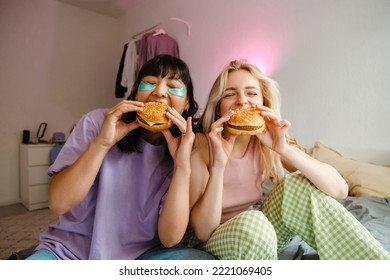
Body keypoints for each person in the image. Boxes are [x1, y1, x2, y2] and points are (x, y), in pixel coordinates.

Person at [188, 59, 390, 260]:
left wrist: (283, 148)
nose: (242, 101)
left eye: (251, 93)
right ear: (218, 108)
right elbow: (203, 232)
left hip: (260, 234)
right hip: (216, 239)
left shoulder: (267, 142)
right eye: (230, 94)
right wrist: (219, 166)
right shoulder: (202, 145)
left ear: (263, 103)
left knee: (296, 184)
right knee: (252, 222)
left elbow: (339, 189)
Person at [26, 54, 215, 260]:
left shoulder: (190, 147)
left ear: (186, 103)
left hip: (138, 258)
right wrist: (102, 143)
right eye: (150, 83)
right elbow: (58, 203)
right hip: (68, 253)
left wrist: (182, 165)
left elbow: (170, 238)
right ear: (135, 94)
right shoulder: (97, 122)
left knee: (201, 261)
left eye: (173, 86)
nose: (159, 92)